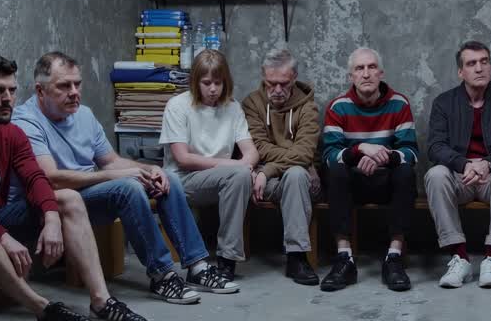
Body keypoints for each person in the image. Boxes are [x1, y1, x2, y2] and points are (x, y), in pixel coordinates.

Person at [0, 55, 148, 321]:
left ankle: (102, 301)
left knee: (68, 198)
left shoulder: (12, 134)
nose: (7, 98)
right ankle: (43, 309)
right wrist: (3, 236)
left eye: (11, 90)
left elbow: (35, 178)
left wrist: (52, 218)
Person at [12, 51, 237, 306]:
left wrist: (148, 169)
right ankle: (161, 274)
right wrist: (122, 175)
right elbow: (50, 179)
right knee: (127, 188)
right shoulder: (26, 121)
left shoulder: (82, 114)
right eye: (64, 86)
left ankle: (197, 266)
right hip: (58, 201)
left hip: (91, 190)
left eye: (77, 84)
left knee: (169, 179)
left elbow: (110, 161)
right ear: (40, 91)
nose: (74, 92)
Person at [425, 41, 491, 289]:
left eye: (484, 62)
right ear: (461, 72)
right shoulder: (444, 103)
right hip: (460, 178)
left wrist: (488, 164)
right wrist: (463, 164)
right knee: (435, 174)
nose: (479, 68)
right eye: (472, 63)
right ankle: (459, 257)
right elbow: (435, 146)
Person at [319, 47, 418, 292]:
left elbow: (411, 152)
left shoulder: (399, 103)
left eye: (372, 67)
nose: (366, 74)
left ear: (381, 73)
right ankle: (344, 258)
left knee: (406, 173)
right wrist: (361, 149)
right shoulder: (337, 107)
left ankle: (393, 258)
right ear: (351, 76)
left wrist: (383, 157)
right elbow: (329, 156)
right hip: (353, 183)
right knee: (336, 171)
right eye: (359, 69)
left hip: (386, 182)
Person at [160, 49, 259, 281]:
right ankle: (219, 258)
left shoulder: (233, 108)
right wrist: (234, 166)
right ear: (195, 82)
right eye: (206, 83)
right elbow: (183, 158)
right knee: (239, 174)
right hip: (182, 180)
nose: (213, 89)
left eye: (218, 82)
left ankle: (227, 259)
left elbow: (251, 151)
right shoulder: (177, 106)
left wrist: (243, 168)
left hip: (220, 180)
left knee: (241, 176)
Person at [241, 47, 322, 285]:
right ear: (263, 76)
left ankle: (296, 258)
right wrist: (298, 161)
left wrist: (268, 170)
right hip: (262, 185)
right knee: (297, 168)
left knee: (296, 175)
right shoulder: (252, 104)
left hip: (299, 182)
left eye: (284, 84)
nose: (276, 90)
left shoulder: (308, 106)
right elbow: (259, 148)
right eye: (270, 83)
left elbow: (305, 152)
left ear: (294, 78)